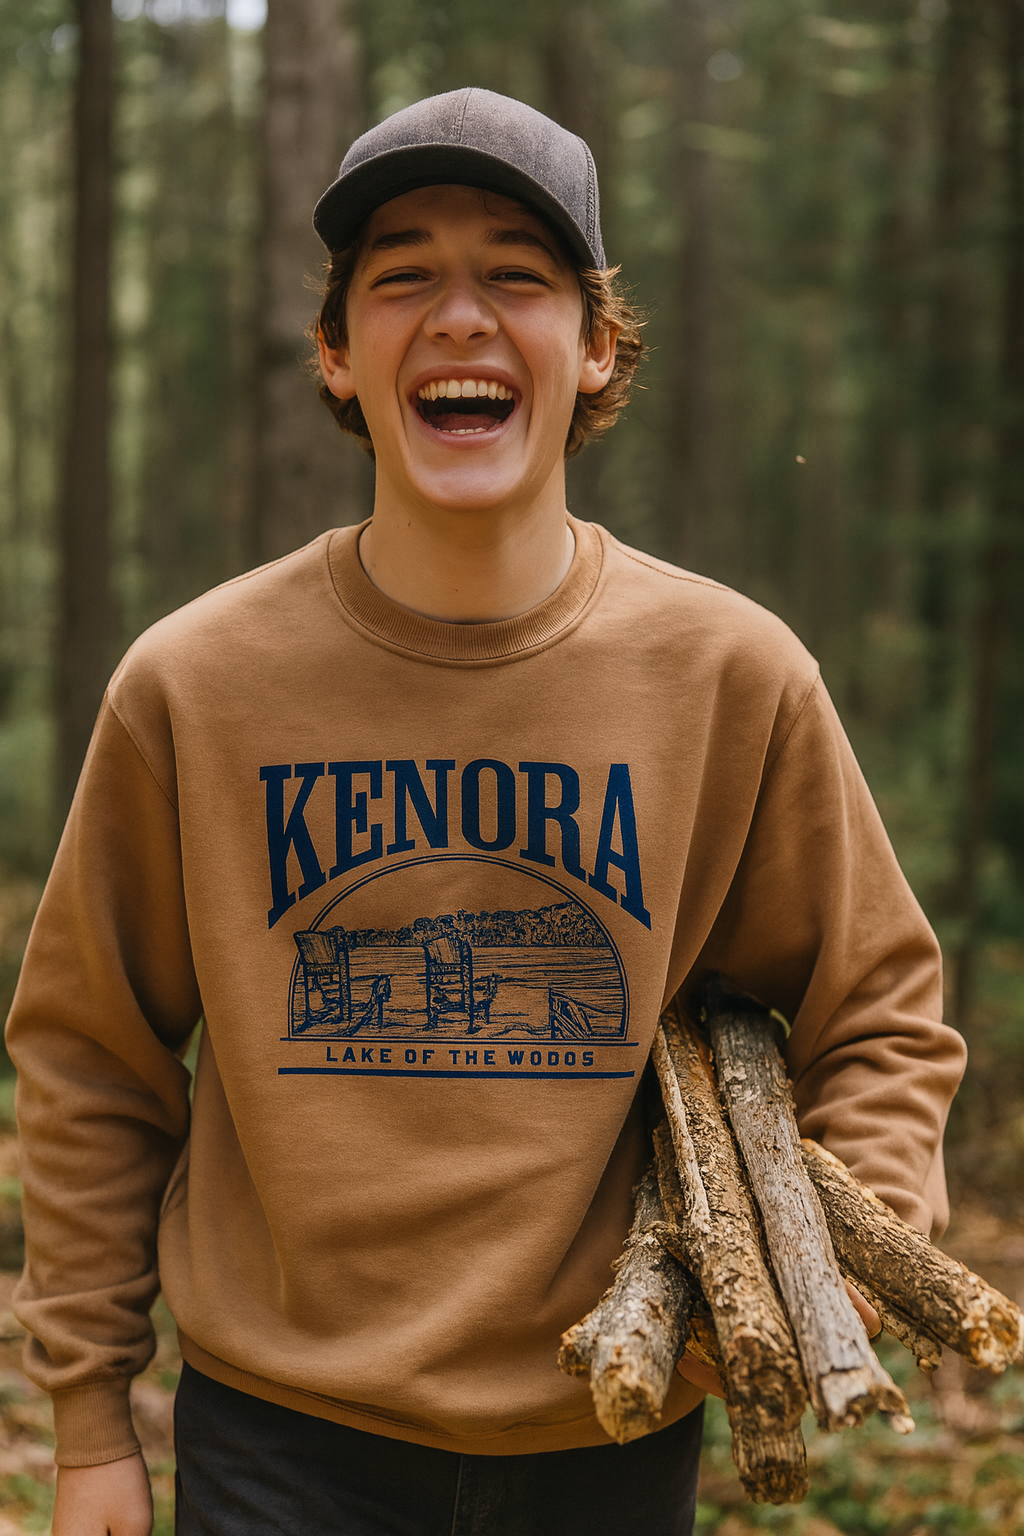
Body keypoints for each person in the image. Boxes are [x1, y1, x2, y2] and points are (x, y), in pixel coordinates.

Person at [6, 88, 966, 1536]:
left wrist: (828, 1249)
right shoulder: (195, 686)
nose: (461, 315)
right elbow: (91, 1058)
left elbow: (879, 1005)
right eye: (403, 278)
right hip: (279, 1442)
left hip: (614, 1419)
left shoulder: (727, 675)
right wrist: (88, 1421)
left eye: (518, 276)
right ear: (338, 354)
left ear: (593, 349)